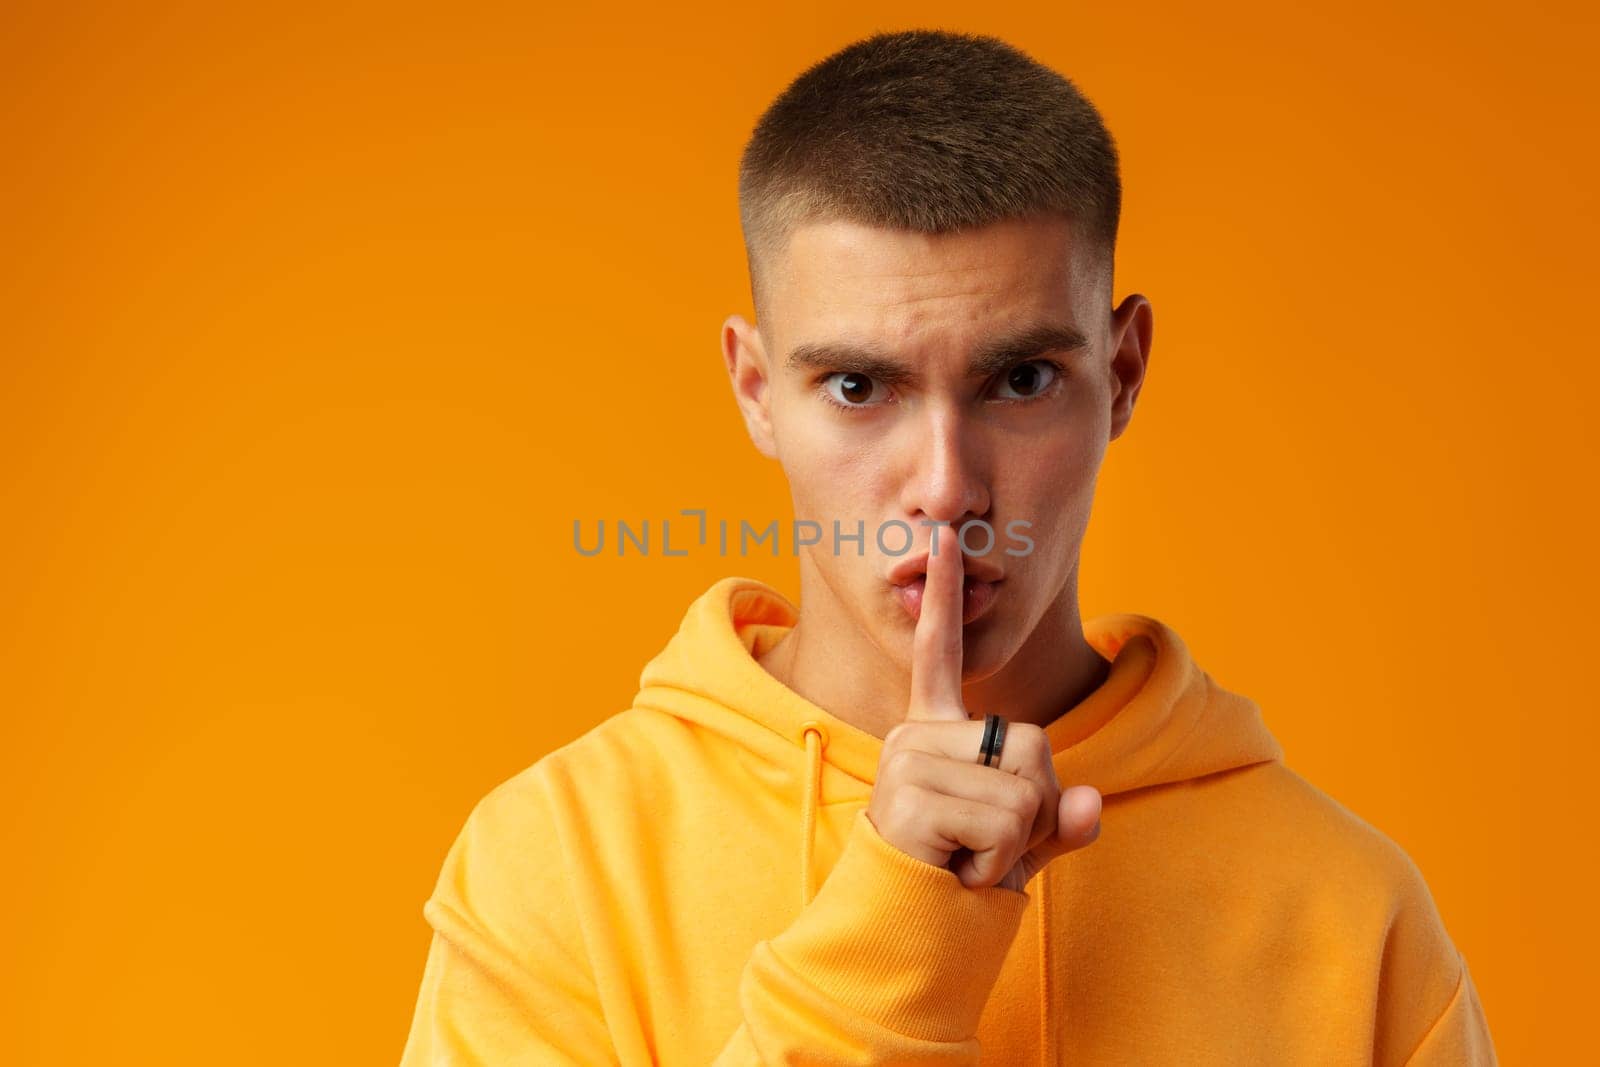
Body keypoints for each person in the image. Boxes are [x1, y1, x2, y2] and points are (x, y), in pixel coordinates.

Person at [398, 28, 1497, 1065]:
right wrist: (896, 934)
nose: (945, 487)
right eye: (858, 386)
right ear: (756, 389)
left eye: (1018, 380)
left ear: (1119, 376)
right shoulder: (554, 864)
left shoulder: (1355, 915)